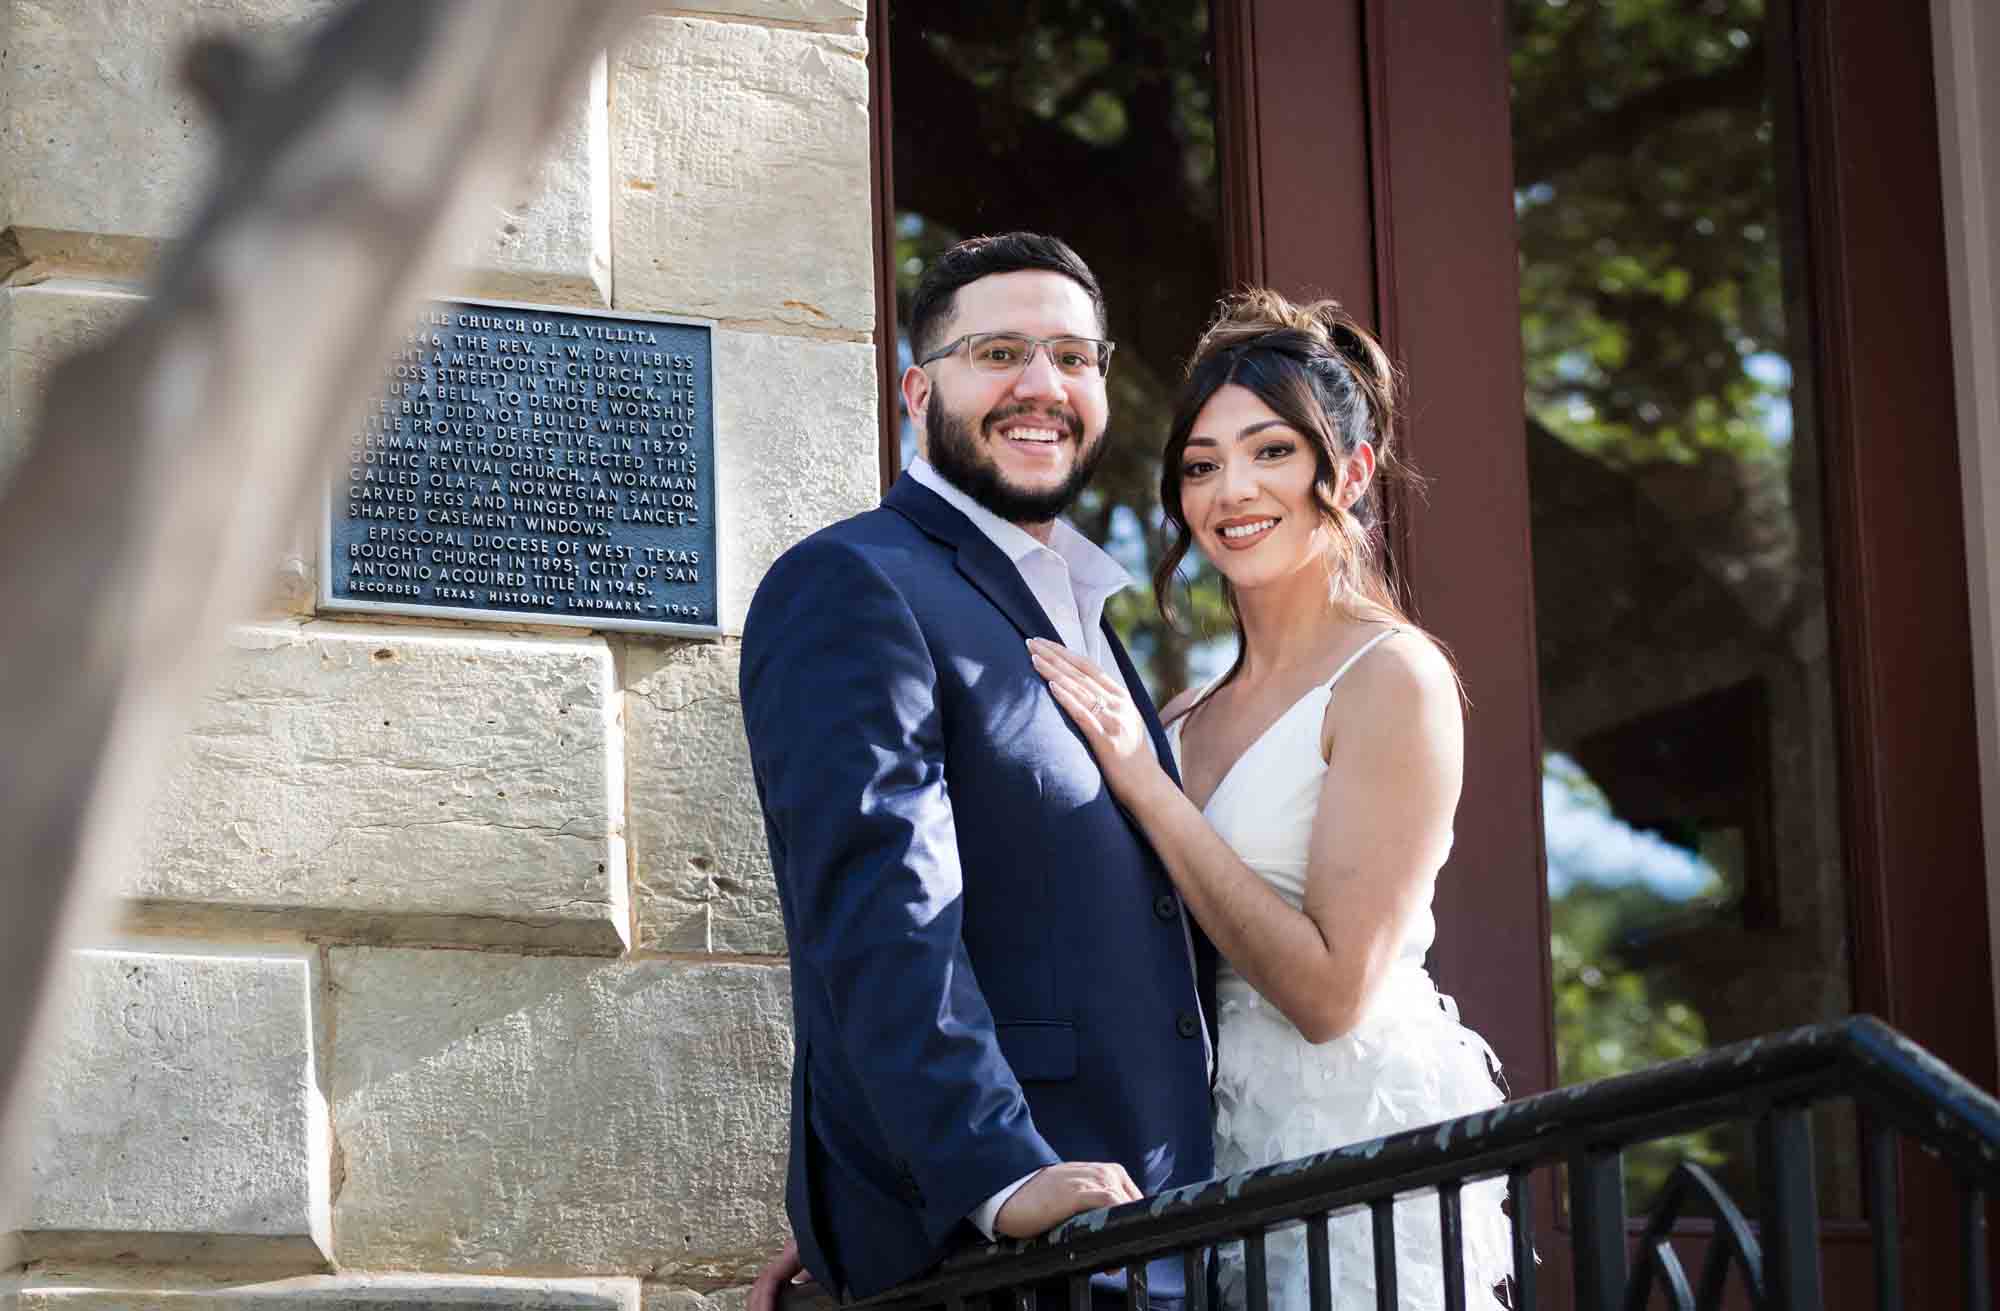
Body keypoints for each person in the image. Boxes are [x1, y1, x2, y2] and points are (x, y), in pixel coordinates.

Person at [738, 233, 1217, 1307]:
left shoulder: (1088, 614)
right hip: (1013, 1248)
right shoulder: (854, 582)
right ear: (919, 389)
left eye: (1073, 358)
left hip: (1166, 1227)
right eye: (997, 352)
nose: (1041, 386)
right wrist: (984, 1177)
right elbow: (879, 909)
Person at [1029, 290, 1513, 1310]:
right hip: (1194, 1165)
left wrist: (1147, 794)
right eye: (1200, 466)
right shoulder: (1176, 717)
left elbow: (1330, 992)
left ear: (1350, 471)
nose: (1229, 491)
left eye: (1270, 453)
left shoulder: (1392, 679)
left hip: (1348, 1166)